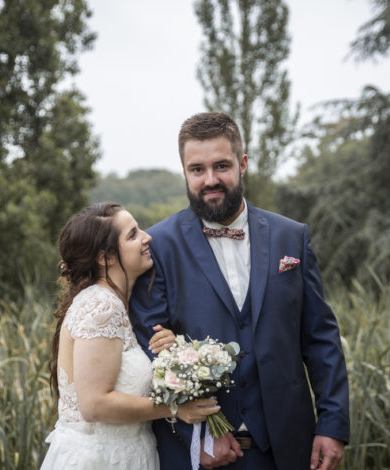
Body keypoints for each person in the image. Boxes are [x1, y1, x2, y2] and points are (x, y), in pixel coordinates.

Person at [130, 112, 349, 470]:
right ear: (184, 171)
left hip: (289, 450)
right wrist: (195, 436)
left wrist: (332, 425)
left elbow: (321, 337)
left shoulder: (290, 237)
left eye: (221, 166)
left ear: (242, 164)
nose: (210, 180)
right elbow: (148, 350)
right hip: (200, 454)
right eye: (197, 169)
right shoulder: (159, 246)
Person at [41, 202, 220, 470]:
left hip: (127, 453)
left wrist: (171, 349)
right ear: (105, 257)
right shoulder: (101, 306)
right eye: (133, 234)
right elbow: (95, 405)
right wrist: (174, 409)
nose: (148, 237)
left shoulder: (117, 303)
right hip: (101, 459)